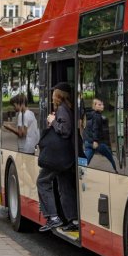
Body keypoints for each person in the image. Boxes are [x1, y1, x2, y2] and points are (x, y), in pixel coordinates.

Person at [37, 82, 78, 232]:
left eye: (54, 93)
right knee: (65, 186)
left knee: (42, 182)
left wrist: (52, 121)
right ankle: (73, 219)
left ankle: (53, 217)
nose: (52, 96)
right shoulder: (68, 108)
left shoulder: (61, 109)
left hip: (58, 156)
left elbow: (65, 131)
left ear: (59, 95)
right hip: (66, 155)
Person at [82, 98, 117, 172]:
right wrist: (95, 141)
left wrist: (86, 139)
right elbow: (95, 129)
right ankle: (116, 170)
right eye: (99, 104)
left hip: (88, 142)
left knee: (86, 160)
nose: (102, 106)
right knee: (109, 155)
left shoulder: (89, 115)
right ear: (94, 106)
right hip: (96, 143)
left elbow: (87, 128)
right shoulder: (97, 116)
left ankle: (80, 172)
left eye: (102, 104)